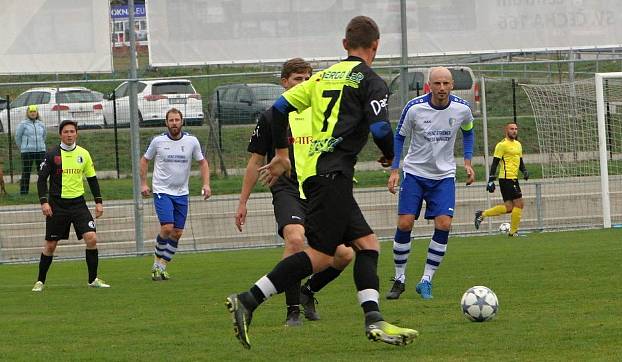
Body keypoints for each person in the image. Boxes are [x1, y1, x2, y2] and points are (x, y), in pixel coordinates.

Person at [225, 15, 418, 349]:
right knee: (319, 255)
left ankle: (374, 320)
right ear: (376, 46)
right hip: (334, 175)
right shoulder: (370, 79)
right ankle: (247, 300)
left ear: (345, 45)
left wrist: (283, 153)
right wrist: (390, 157)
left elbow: (275, 111)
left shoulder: (323, 77)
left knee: (368, 245)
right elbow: (381, 129)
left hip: (319, 174)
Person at [235, 58, 354, 326]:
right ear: (284, 82)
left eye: (307, 79)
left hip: (318, 189)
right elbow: (255, 162)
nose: (303, 84)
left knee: (345, 254)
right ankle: (292, 312)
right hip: (287, 188)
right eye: (297, 79)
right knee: (295, 240)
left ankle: (307, 292)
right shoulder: (270, 117)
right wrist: (243, 202)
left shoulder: (320, 114)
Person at [384, 67, 475, 300]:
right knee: (405, 224)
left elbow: (468, 131)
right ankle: (399, 278)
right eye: (437, 84)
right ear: (429, 86)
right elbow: (399, 137)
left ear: (452, 84)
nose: (442, 88)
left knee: (443, 224)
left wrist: (467, 161)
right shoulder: (414, 108)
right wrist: (395, 170)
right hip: (414, 173)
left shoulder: (462, 109)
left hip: (444, 176)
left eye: (446, 83)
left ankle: (426, 280)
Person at [33, 120, 109, 291]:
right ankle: (40, 281)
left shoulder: (84, 154)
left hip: (78, 204)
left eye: (72, 132)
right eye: (66, 132)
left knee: (92, 238)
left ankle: (93, 279)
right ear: (60, 134)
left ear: (77, 134)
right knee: (50, 245)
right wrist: (44, 202)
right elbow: (41, 180)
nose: (69, 135)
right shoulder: (52, 154)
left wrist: (98, 202)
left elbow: (92, 179)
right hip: (57, 205)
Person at [140, 108, 211, 280]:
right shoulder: (158, 141)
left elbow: (202, 162)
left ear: (182, 121)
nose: (174, 123)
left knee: (177, 233)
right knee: (167, 227)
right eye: (171, 120)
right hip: (162, 191)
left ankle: (163, 266)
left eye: (177, 120)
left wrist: (206, 184)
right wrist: (143, 184)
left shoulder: (191, 141)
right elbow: (144, 160)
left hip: (181, 193)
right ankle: (156, 263)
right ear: (166, 123)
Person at [474, 122, 529, 236]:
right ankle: (513, 232)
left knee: (509, 207)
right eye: (511, 129)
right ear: (506, 130)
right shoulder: (502, 145)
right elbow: (494, 163)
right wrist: (490, 180)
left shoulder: (518, 144)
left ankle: (482, 214)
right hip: (506, 178)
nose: (514, 131)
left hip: (513, 178)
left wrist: (524, 171)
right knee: (519, 204)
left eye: (516, 129)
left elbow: (520, 160)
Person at [16, 105, 47, 195]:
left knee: (42, 172)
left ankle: (44, 191)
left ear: (37, 113)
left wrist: (41, 145)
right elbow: (18, 137)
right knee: (26, 172)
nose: (33, 113)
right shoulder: (23, 124)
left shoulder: (41, 124)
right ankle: (24, 192)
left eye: (34, 111)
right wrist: (23, 147)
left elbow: (44, 136)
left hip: (40, 151)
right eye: (31, 112)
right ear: (28, 113)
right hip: (27, 152)